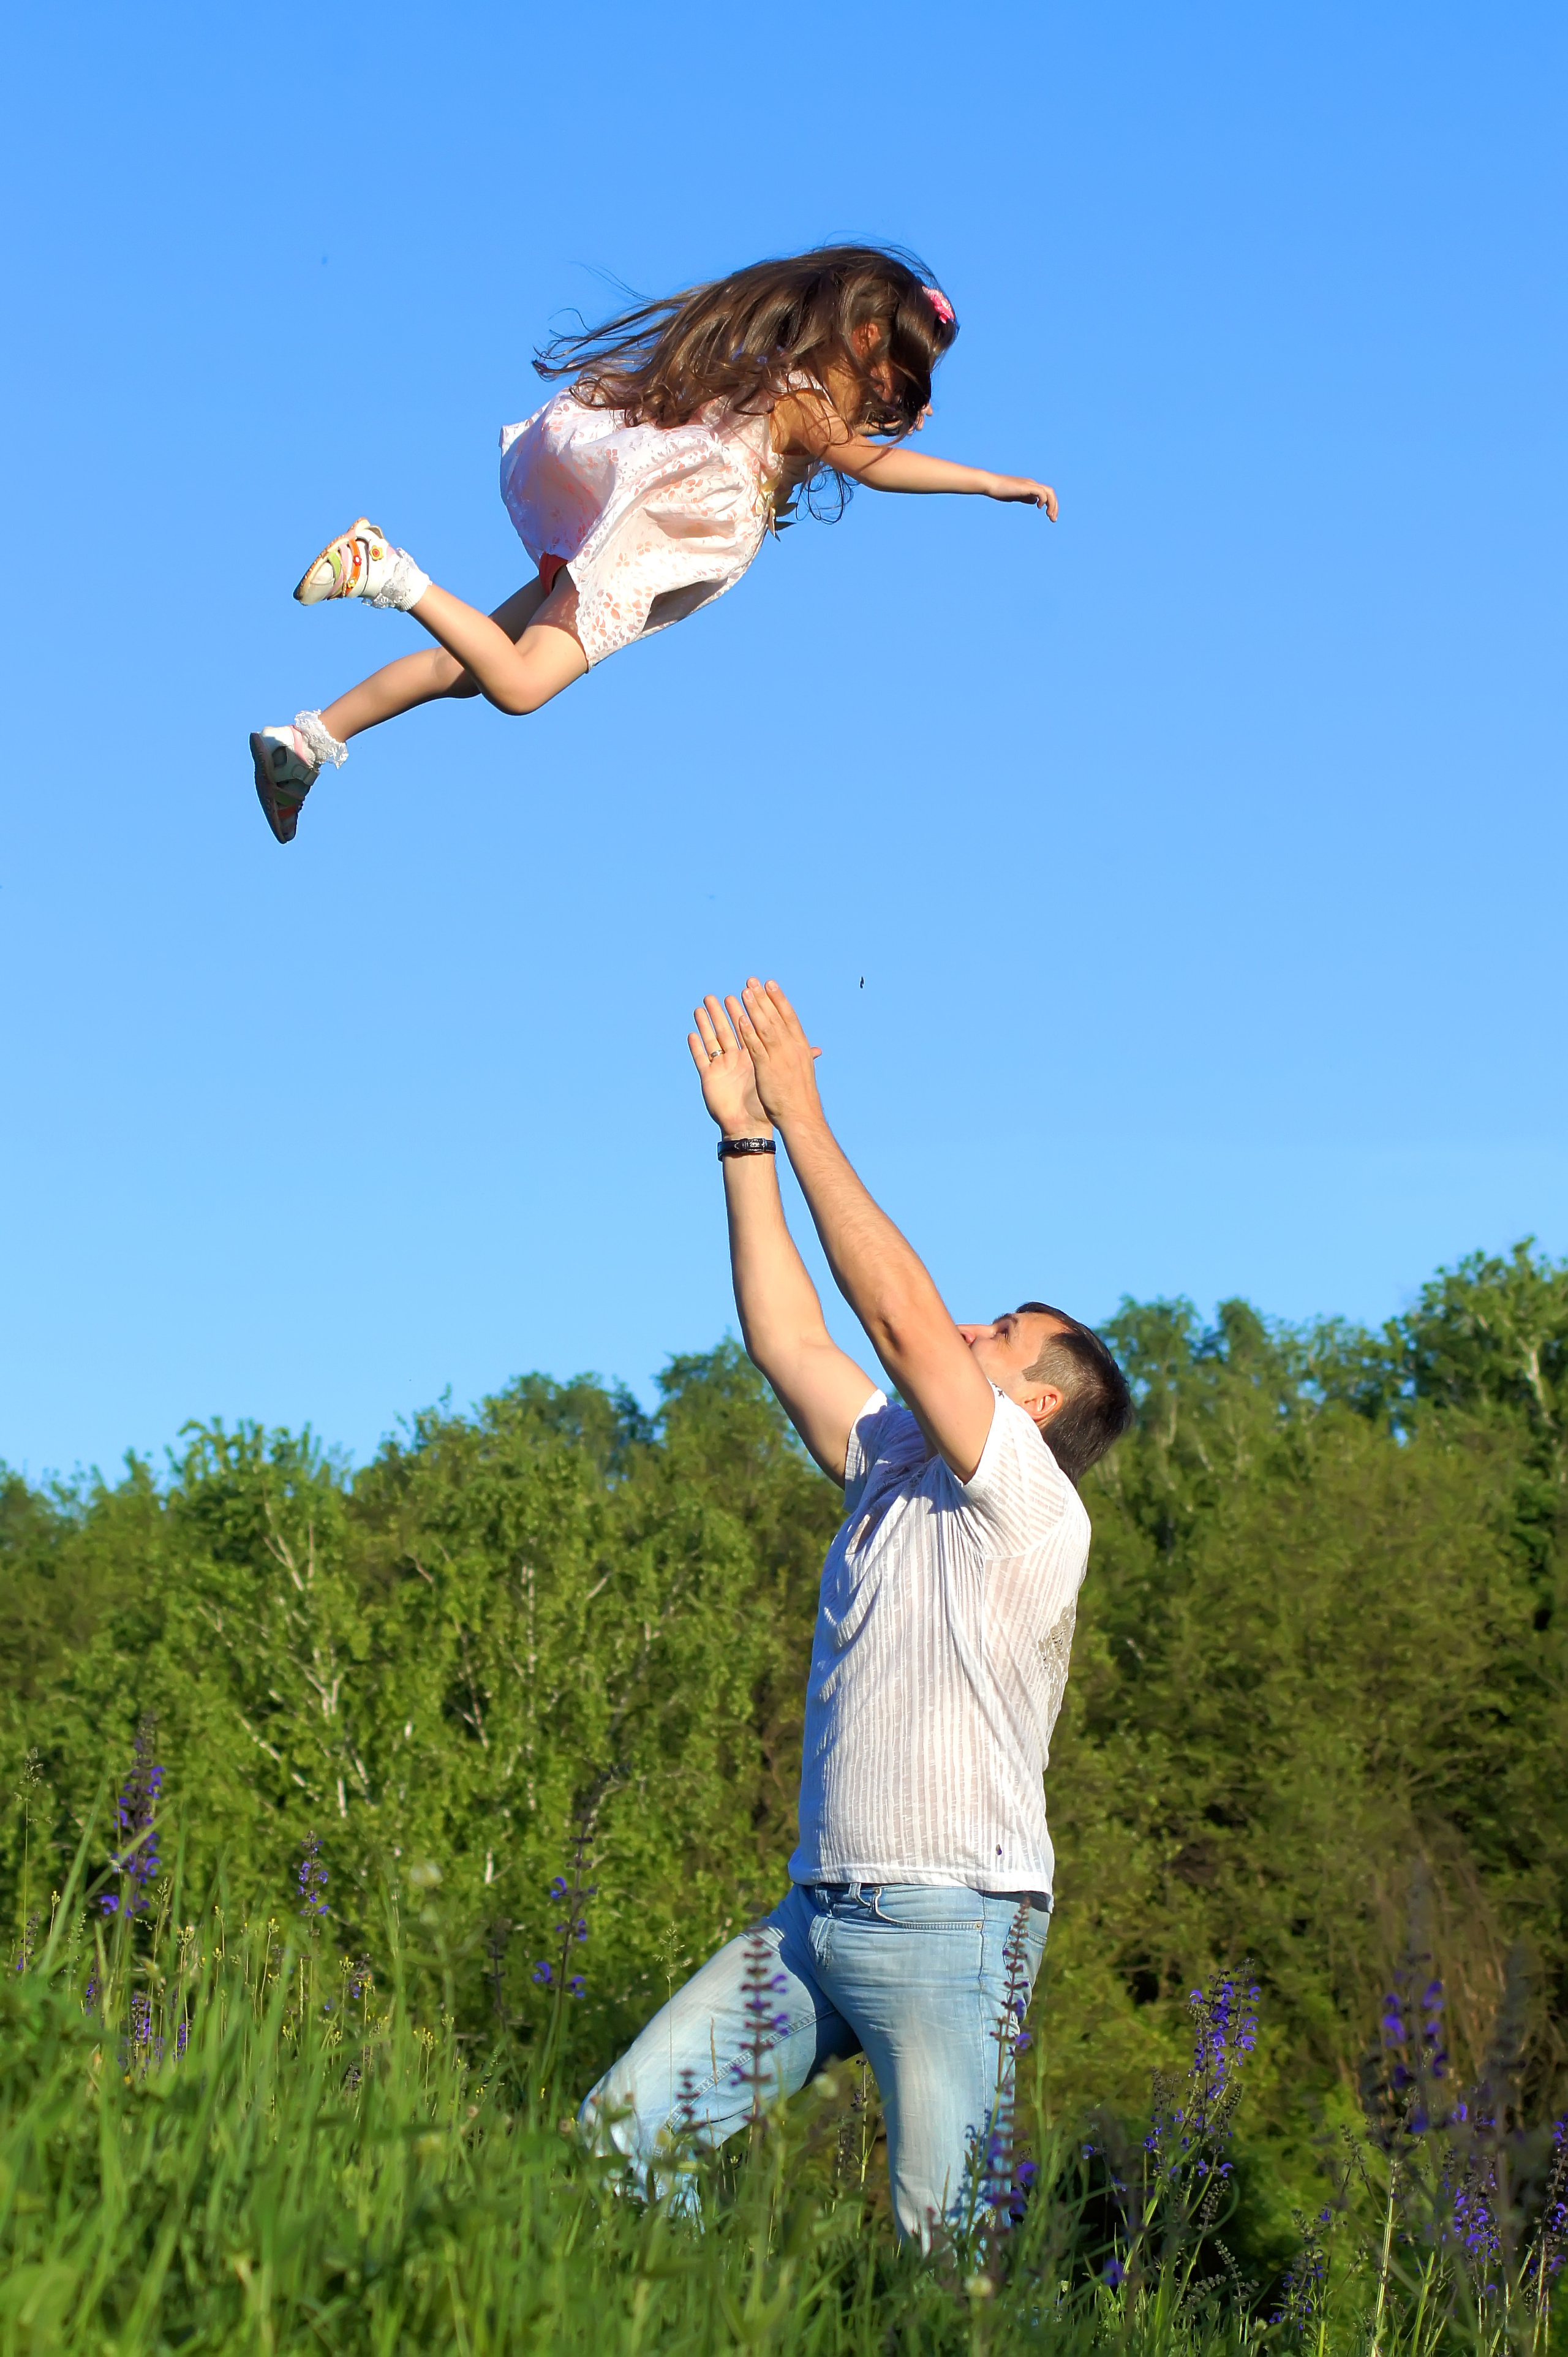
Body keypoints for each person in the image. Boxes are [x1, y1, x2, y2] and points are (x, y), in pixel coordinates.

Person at [579, 978, 1134, 2247]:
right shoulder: (889, 1458)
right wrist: (744, 1139)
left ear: (1037, 1406)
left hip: (956, 1927)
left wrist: (806, 1107)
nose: (964, 1324)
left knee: (948, 2273)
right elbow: (788, 1341)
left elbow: (889, 1313)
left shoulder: (1029, 1501)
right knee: (619, 2146)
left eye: (998, 1332)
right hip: (816, 1919)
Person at [249, 244, 1058, 842]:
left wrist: (887, 420)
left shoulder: (796, 389)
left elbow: (862, 444)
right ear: (867, 338)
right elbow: (875, 468)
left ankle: (310, 741)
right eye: (904, 373)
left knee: (469, 665)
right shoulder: (810, 403)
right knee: (520, 685)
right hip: (656, 544)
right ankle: (386, 571)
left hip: (656, 530)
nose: (902, 395)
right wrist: (991, 481)